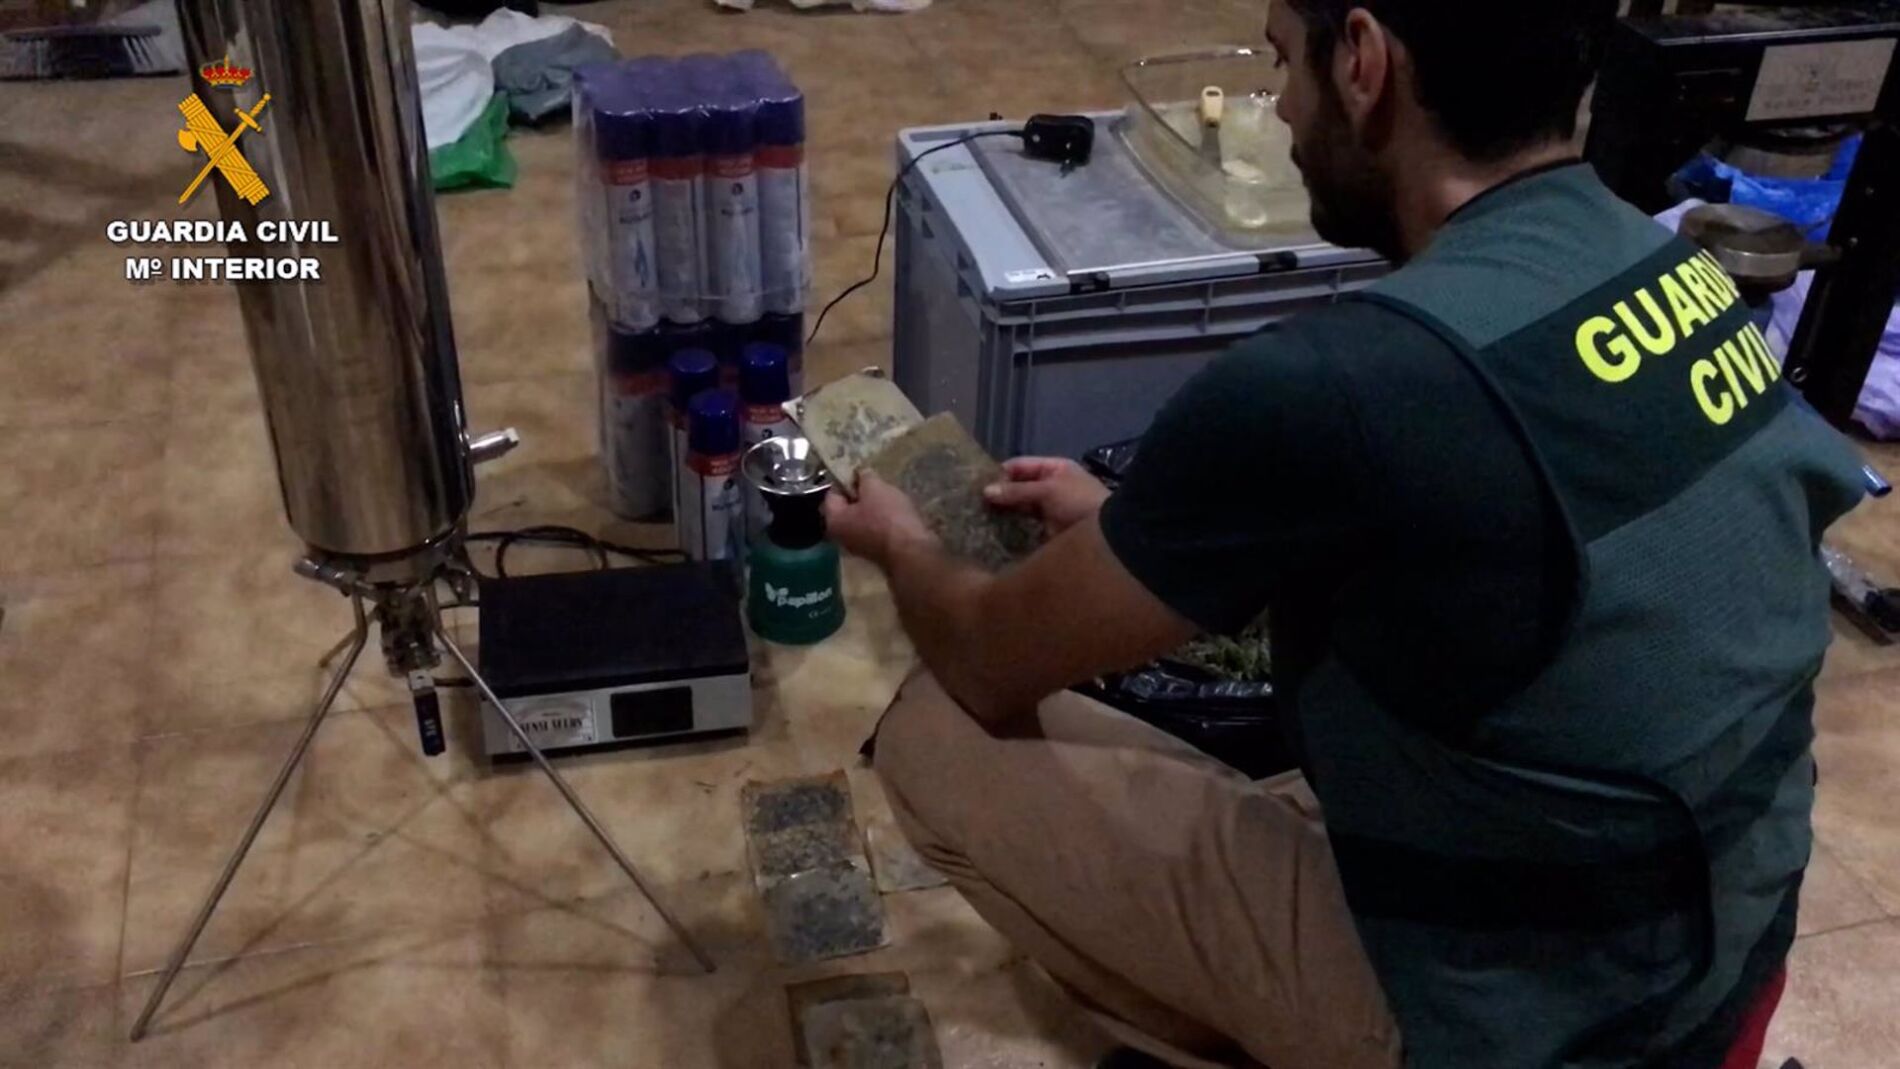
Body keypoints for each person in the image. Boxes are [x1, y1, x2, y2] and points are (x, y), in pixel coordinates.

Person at [823, 1, 1870, 1066]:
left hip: (1549, 1028)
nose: (1280, 107)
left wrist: (901, 542)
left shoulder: (1342, 379)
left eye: (1284, 62)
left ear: (1363, 63)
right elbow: (1491, 545)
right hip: (1723, 949)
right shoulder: (1664, 264)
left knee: (936, 732)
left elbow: (987, 657)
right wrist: (1148, 535)